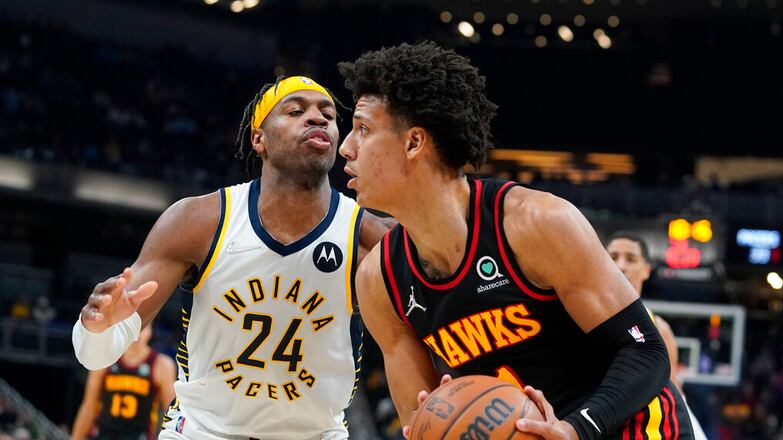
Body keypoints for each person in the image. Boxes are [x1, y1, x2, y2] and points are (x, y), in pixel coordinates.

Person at [338, 41, 694, 440]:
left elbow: (646, 351)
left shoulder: (535, 223)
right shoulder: (378, 281)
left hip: (635, 428)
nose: (345, 148)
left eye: (363, 130)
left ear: (414, 142)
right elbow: (419, 425)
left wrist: (576, 430)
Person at [72, 76, 391, 439]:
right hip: (203, 432)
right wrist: (95, 329)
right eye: (296, 110)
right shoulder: (198, 221)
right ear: (259, 138)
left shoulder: (369, 236)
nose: (318, 119)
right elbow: (96, 356)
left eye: (329, 115)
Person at [605, 231, 708, 440]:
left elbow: (676, 398)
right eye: (612, 257)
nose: (621, 265)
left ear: (646, 270)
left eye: (631, 259)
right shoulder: (578, 318)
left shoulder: (660, 330)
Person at [71, 325, 176, 440]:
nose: (137, 334)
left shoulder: (162, 365)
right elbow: (88, 406)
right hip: (103, 435)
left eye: (143, 328)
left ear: (150, 332)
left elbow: (171, 413)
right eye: (134, 327)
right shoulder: (105, 358)